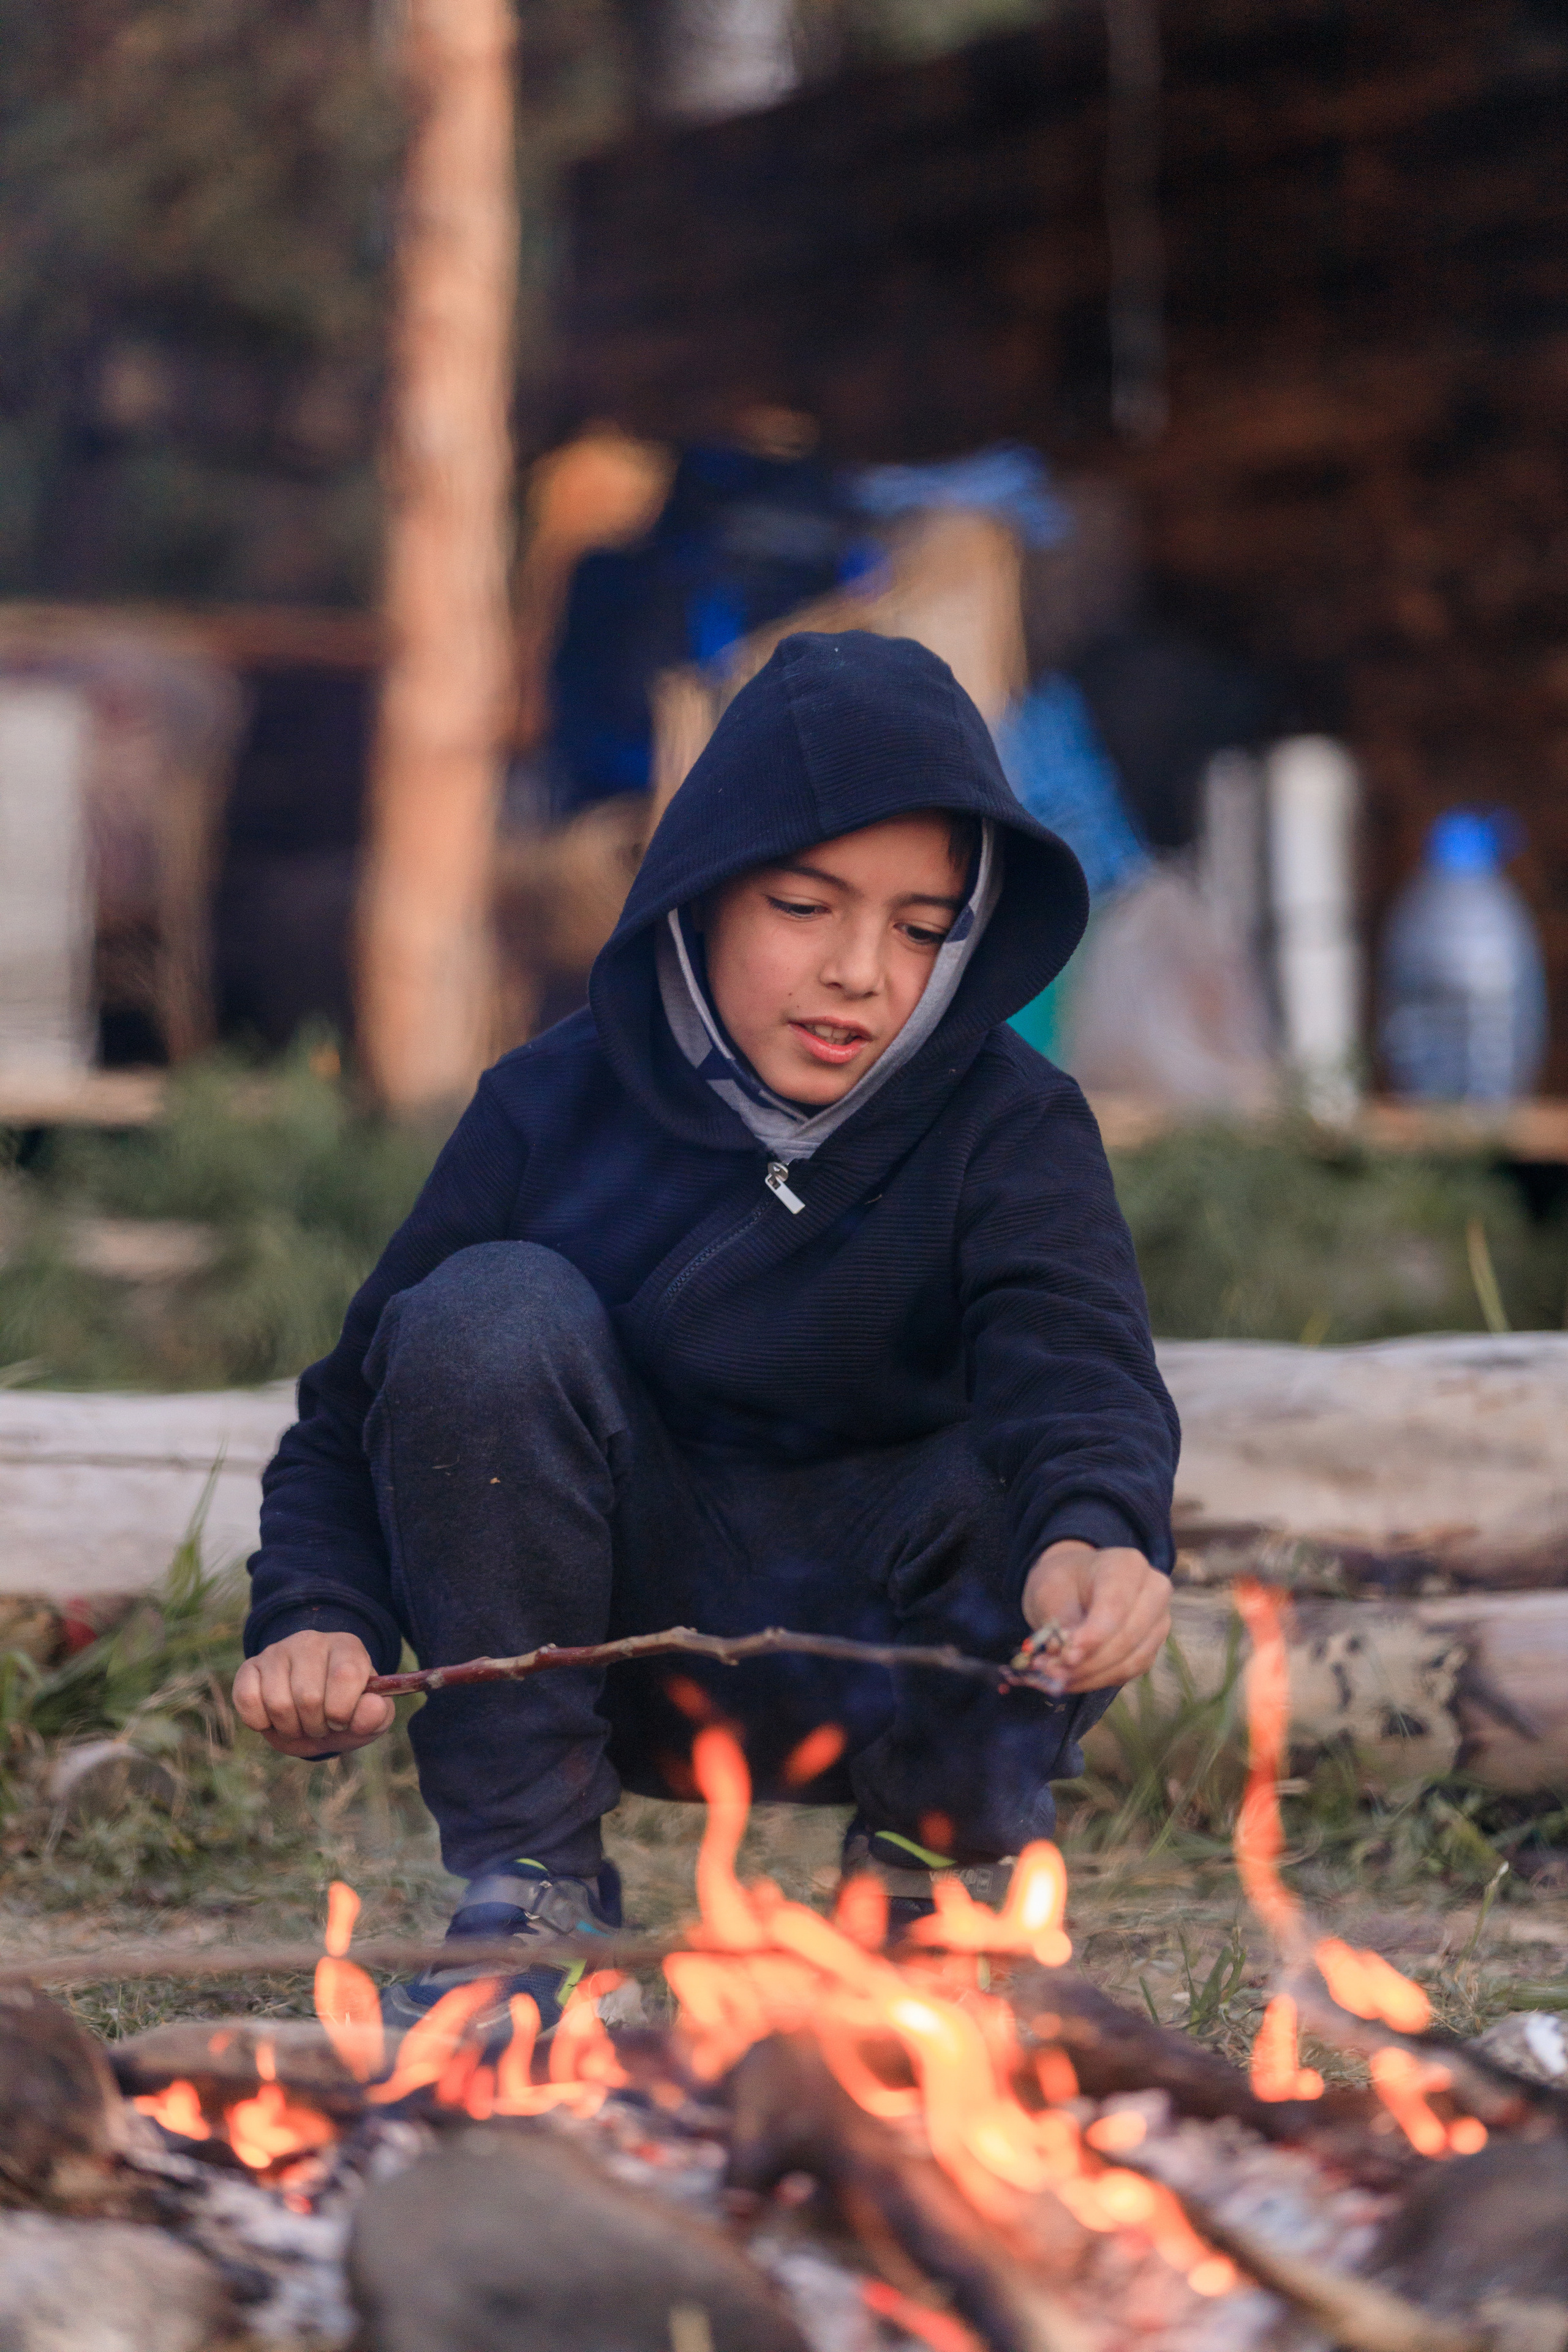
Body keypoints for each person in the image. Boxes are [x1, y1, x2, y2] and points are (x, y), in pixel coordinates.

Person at [235, 631, 1177, 2031]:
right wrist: (316, 1615)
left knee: (1034, 1459)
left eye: (919, 927)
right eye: (804, 906)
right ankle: (533, 1889)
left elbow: (1077, 1367)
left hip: (906, 1664)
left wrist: (1094, 1538)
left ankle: (926, 1885)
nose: (858, 971)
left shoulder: (1011, 1124)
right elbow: (348, 1413)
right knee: (483, 1312)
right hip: (604, 1659)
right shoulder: (550, 1105)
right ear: (703, 887)